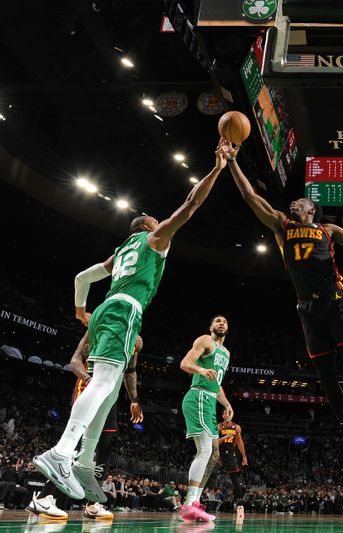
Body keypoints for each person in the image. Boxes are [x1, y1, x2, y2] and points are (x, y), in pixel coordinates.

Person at [34, 142, 228, 501]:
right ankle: (62, 452)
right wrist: (217, 169)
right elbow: (191, 205)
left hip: (108, 308)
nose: (161, 224)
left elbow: (80, 277)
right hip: (125, 310)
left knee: (107, 395)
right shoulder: (153, 239)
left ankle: (84, 462)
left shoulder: (119, 252)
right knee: (105, 382)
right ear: (148, 226)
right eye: (157, 221)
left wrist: (80, 312)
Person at [226, 143, 343, 465]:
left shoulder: (328, 230)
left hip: (337, 303)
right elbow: (249, 197)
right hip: (308, 311)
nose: (294, 201)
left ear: (312, 209)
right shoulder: (281, 226)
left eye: (300, 200)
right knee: (327, 380)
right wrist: (232, 162)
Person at [28, 331, 143, 520]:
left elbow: (130, 371)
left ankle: (92, 504)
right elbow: (75, 362)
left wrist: (134, 400)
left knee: (104, 448)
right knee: (78, 447)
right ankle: (44, 498)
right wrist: (89, 380)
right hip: (91, 386)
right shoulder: (99, 328)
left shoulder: (135, 339)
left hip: (111, 395)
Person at [178, 315, 234, 522]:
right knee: (205, 450)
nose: (221, 323)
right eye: (218, 321)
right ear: (210, 326)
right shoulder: (205, 341)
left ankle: (196, 500)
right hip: (198, 396)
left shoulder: (226, 353)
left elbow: (217, 384)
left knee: (214, 454)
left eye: (225, 322)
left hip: (210, 400)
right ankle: (189, 504)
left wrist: (227, 404)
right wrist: (200, 369)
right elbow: (185, 363)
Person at [218, 419, 248, 517]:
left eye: (228, 413)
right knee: (206, 474)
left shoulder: (236, 427)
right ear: (223, 415)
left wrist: (244, 456)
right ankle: (194, 500)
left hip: (229, 455)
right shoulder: (219, 426)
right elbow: (214, 442)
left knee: (235, 478)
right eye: (225, 413)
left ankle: (240, 504)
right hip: (218, 453)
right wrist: (226, 437)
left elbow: (239, 443)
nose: (227, 415)